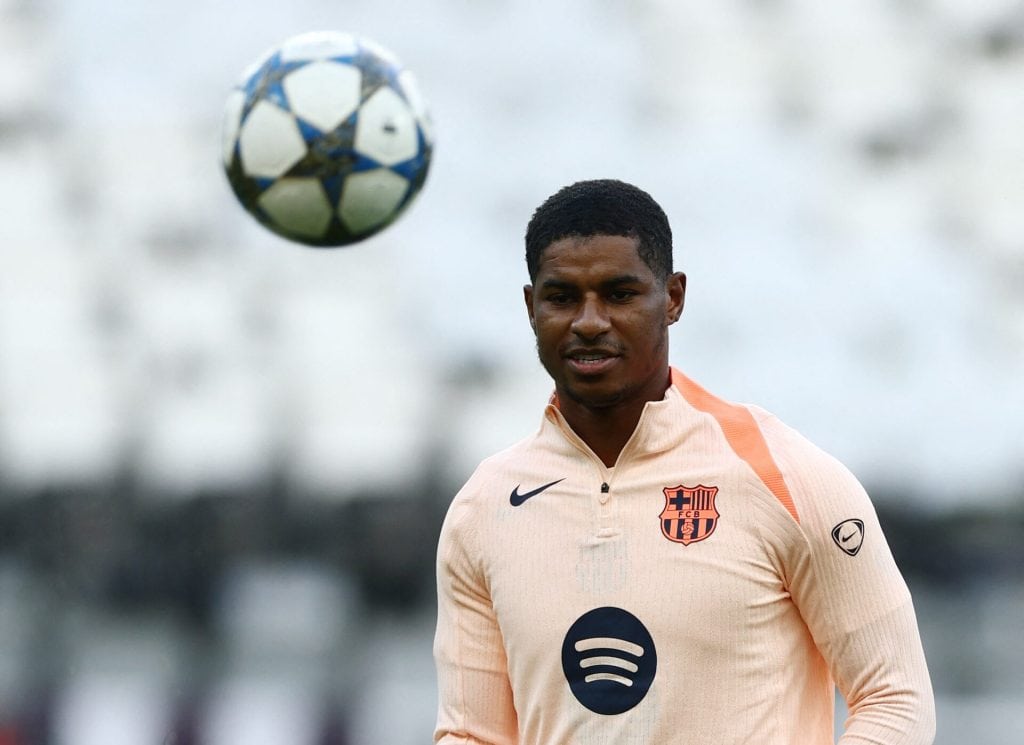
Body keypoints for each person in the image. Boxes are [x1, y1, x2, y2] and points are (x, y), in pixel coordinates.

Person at [433, 179, 935, 744]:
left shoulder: (783, 474)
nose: (589, 321)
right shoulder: (484, 509)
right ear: (531, 307)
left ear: (672, 298)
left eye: (619, 294)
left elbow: (895, 696)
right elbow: (471, 734)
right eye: (562, 297)